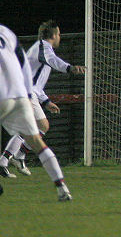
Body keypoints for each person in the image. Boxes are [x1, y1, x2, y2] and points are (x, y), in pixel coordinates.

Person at [0, 20, 85, 177]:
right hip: (24, 92)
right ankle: (4, 160)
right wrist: (70, 68)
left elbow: (36, 81)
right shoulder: (43, 47)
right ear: (52, 35)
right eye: (58, 34)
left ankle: (18, 157)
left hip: (30, 92)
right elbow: (53, 62)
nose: (60, 37)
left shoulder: (43, 50)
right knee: (27, 129)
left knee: (43, 126)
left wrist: (46, 102)